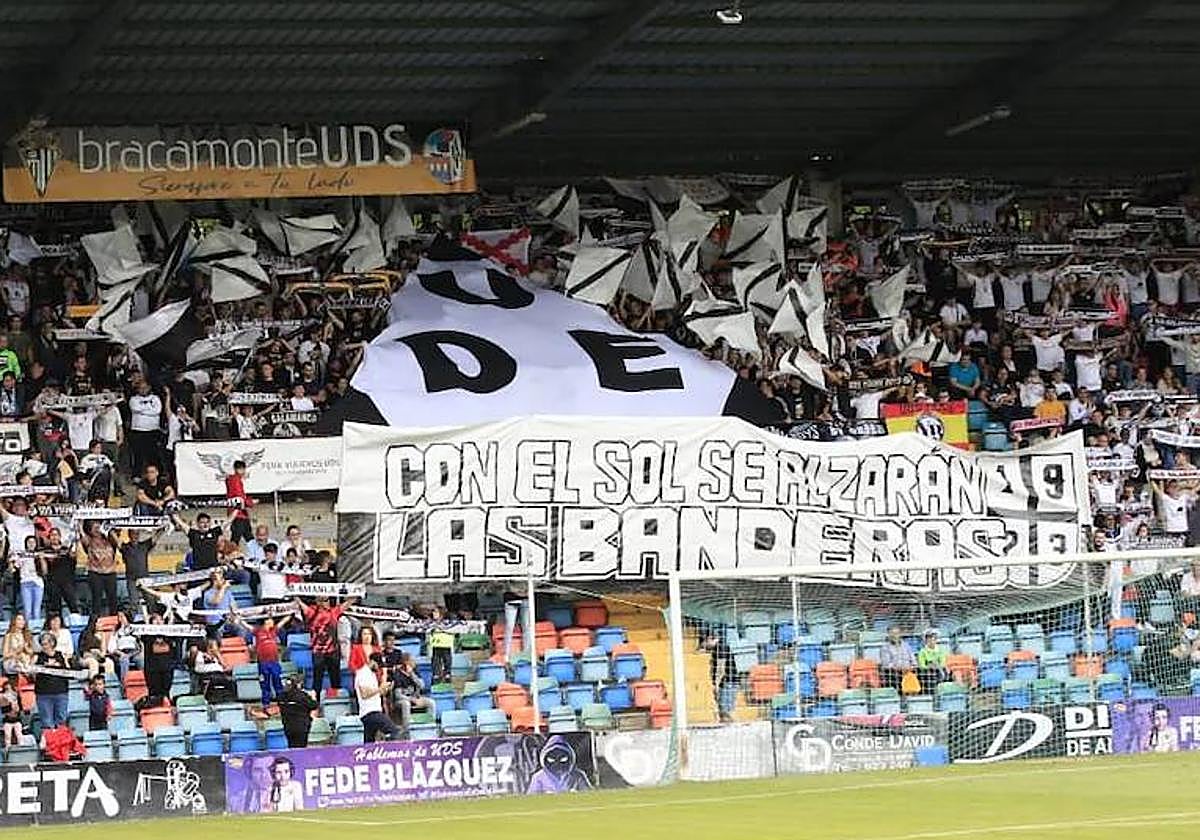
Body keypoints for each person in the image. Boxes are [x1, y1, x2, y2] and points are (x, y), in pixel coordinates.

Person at [294, 594, 357, 694]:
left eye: (326, 600)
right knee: (317, 679)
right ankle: (316, 702)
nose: (324, 602)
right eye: (321, 600)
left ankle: (336, 699)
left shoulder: (333, 612)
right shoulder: (311, 612)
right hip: (318, 652)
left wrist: (356, 593)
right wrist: (295, 595)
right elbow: (300, 604)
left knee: (335, 678)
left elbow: (347, 604)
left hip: (333, 651)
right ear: (317, 601)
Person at [231, 609, 292, 710]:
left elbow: (284, 621)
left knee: (278, 682)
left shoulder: (274, 631)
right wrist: (239, 619)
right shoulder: (258, 631)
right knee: (265, 683)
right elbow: (246, 626)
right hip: (263, 663)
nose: (272, 621)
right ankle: (266, 704)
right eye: (270, 620)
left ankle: (282, 702)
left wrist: (291, 611)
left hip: (274, 662)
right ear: (266, 622)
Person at [351, 645, 399, 743]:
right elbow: (364, 694)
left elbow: (376, 693)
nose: (379, 668)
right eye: (378, 665)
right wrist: (379, 689)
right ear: (371, 662)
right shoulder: (362, 674)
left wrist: (385, 689)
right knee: (393, 731)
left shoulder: (371, 674)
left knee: (369, 741)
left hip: (373, 710)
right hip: (370, 711)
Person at [77, 519, 119, 616]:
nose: (96, 530)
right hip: (95, 573)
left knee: (113, 599)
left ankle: (114, 619)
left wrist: (107, 529)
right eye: (94, 528)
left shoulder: (109, 540)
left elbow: (117, 540)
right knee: (97, 599)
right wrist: (81, 520)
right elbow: (81, 533)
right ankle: (96, 620)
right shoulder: (89, 541)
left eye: (98, 527)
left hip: (110, 572)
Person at [32, 632, 71, 730]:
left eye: (46, 644)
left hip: (61, 692)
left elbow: (68, 671)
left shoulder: (61, 655)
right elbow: (31, 672)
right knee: (47, 721)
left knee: (61, 720)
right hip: (44, 694)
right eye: (43, 644)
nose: (44, 647)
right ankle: (50, 742)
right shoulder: (37, 657)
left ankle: (61, 742)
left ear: (52, 643)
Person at [392, 651, 435, 734]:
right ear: (405, 662)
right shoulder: (398, 674)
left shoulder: (415, 671)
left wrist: (412, 674)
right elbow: (398, 695)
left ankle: (430, 726)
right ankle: (407, 730)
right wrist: (412, 699)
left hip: (416, 698)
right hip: (402, 700)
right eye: (411, 660)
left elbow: (422, 686)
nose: (414, 662)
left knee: (431, 702)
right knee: (406, 704)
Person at [42, 527, 78, 619]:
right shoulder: (46, 551)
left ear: (60, 537)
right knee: (55, 608)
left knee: (73, 605)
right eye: (52, 535)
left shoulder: (66, 549)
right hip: (53, 582)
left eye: (56, 535)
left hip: (67, 581)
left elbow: (73, 563)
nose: (54, 537)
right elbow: (44, 571)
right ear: (49, 537)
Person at [703, 632, 737, 723]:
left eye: (705, 642)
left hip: (727, 681)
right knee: (724, 710)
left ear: (710, 638)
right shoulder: (719, 647)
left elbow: (721, 669)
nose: (705, 645)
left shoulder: (720, 648)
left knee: (724, 711)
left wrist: (716, 685)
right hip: (728, 681)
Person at [276, 675, 317, 749]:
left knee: (291, 747)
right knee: (301, 749)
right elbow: (313, 705)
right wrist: (313, 696)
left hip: (288, 727)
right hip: (301, 727)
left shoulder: (281, 696)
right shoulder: (302, 696)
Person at [11, 534, 44, 622]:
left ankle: (37, 628)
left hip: (38, 583)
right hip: (26, 583)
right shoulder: (22, 555)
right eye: (29, 542)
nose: (31, 544)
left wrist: (41, 558)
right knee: (27, 610)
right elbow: (14, 568)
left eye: (33, 542)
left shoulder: (39, 555)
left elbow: (44, 570)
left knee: (37, 609)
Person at [224, 460, 255, 545]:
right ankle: (231, 554)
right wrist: (250, 502)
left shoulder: (233, 480)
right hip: (238, 513)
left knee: (248, 537)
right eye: (241, 469)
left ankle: (255, 553)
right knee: (237, 537)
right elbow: (239, 497)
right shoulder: (235, 480)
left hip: (240, 513)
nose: (242, 471)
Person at [879, 625, 918, 690]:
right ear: (888, 635)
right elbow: (886, 664)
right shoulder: (885, 648)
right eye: (892, 634)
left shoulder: (906, 645)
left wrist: (912, 667)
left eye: (897, 633)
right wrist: (899, 668)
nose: (895, 636)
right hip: (895, 673)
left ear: (900, 634)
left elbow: (913, 660)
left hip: (909, 671)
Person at [1, 613, 34, 678]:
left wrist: (26, 648)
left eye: (23, 620)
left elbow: (31, 653)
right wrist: (16, 651)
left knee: (32, 657)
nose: (21, 622)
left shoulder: (27, 635)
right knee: (21, 657)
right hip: (11, 661)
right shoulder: (9, 636)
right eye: (19, 619)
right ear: (14, 621)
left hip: (25, 660)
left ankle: (27, 672)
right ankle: (28, 674)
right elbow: (5, 655)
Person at [427, 607, 455, 683]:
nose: (434, 614)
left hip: (446, 644)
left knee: (447, 659)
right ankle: (436, 674)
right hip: (435, 644)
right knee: (435, 660)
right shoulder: (430, 622)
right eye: (433, 612)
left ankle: (447, 674)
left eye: (436, 612)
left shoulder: (449, 622)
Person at [0, 677, 22, 747]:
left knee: (19, 735)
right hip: (7, 721)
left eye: (10, 689)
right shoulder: (2, 698)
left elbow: (18, 709)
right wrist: (9, 703)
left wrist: (15, 704)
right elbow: (5, 711)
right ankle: (7, 751)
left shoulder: (16, 696)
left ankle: (21, 750)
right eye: (6, 689)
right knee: (7, 737)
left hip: (17, 720)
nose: (9, 691)